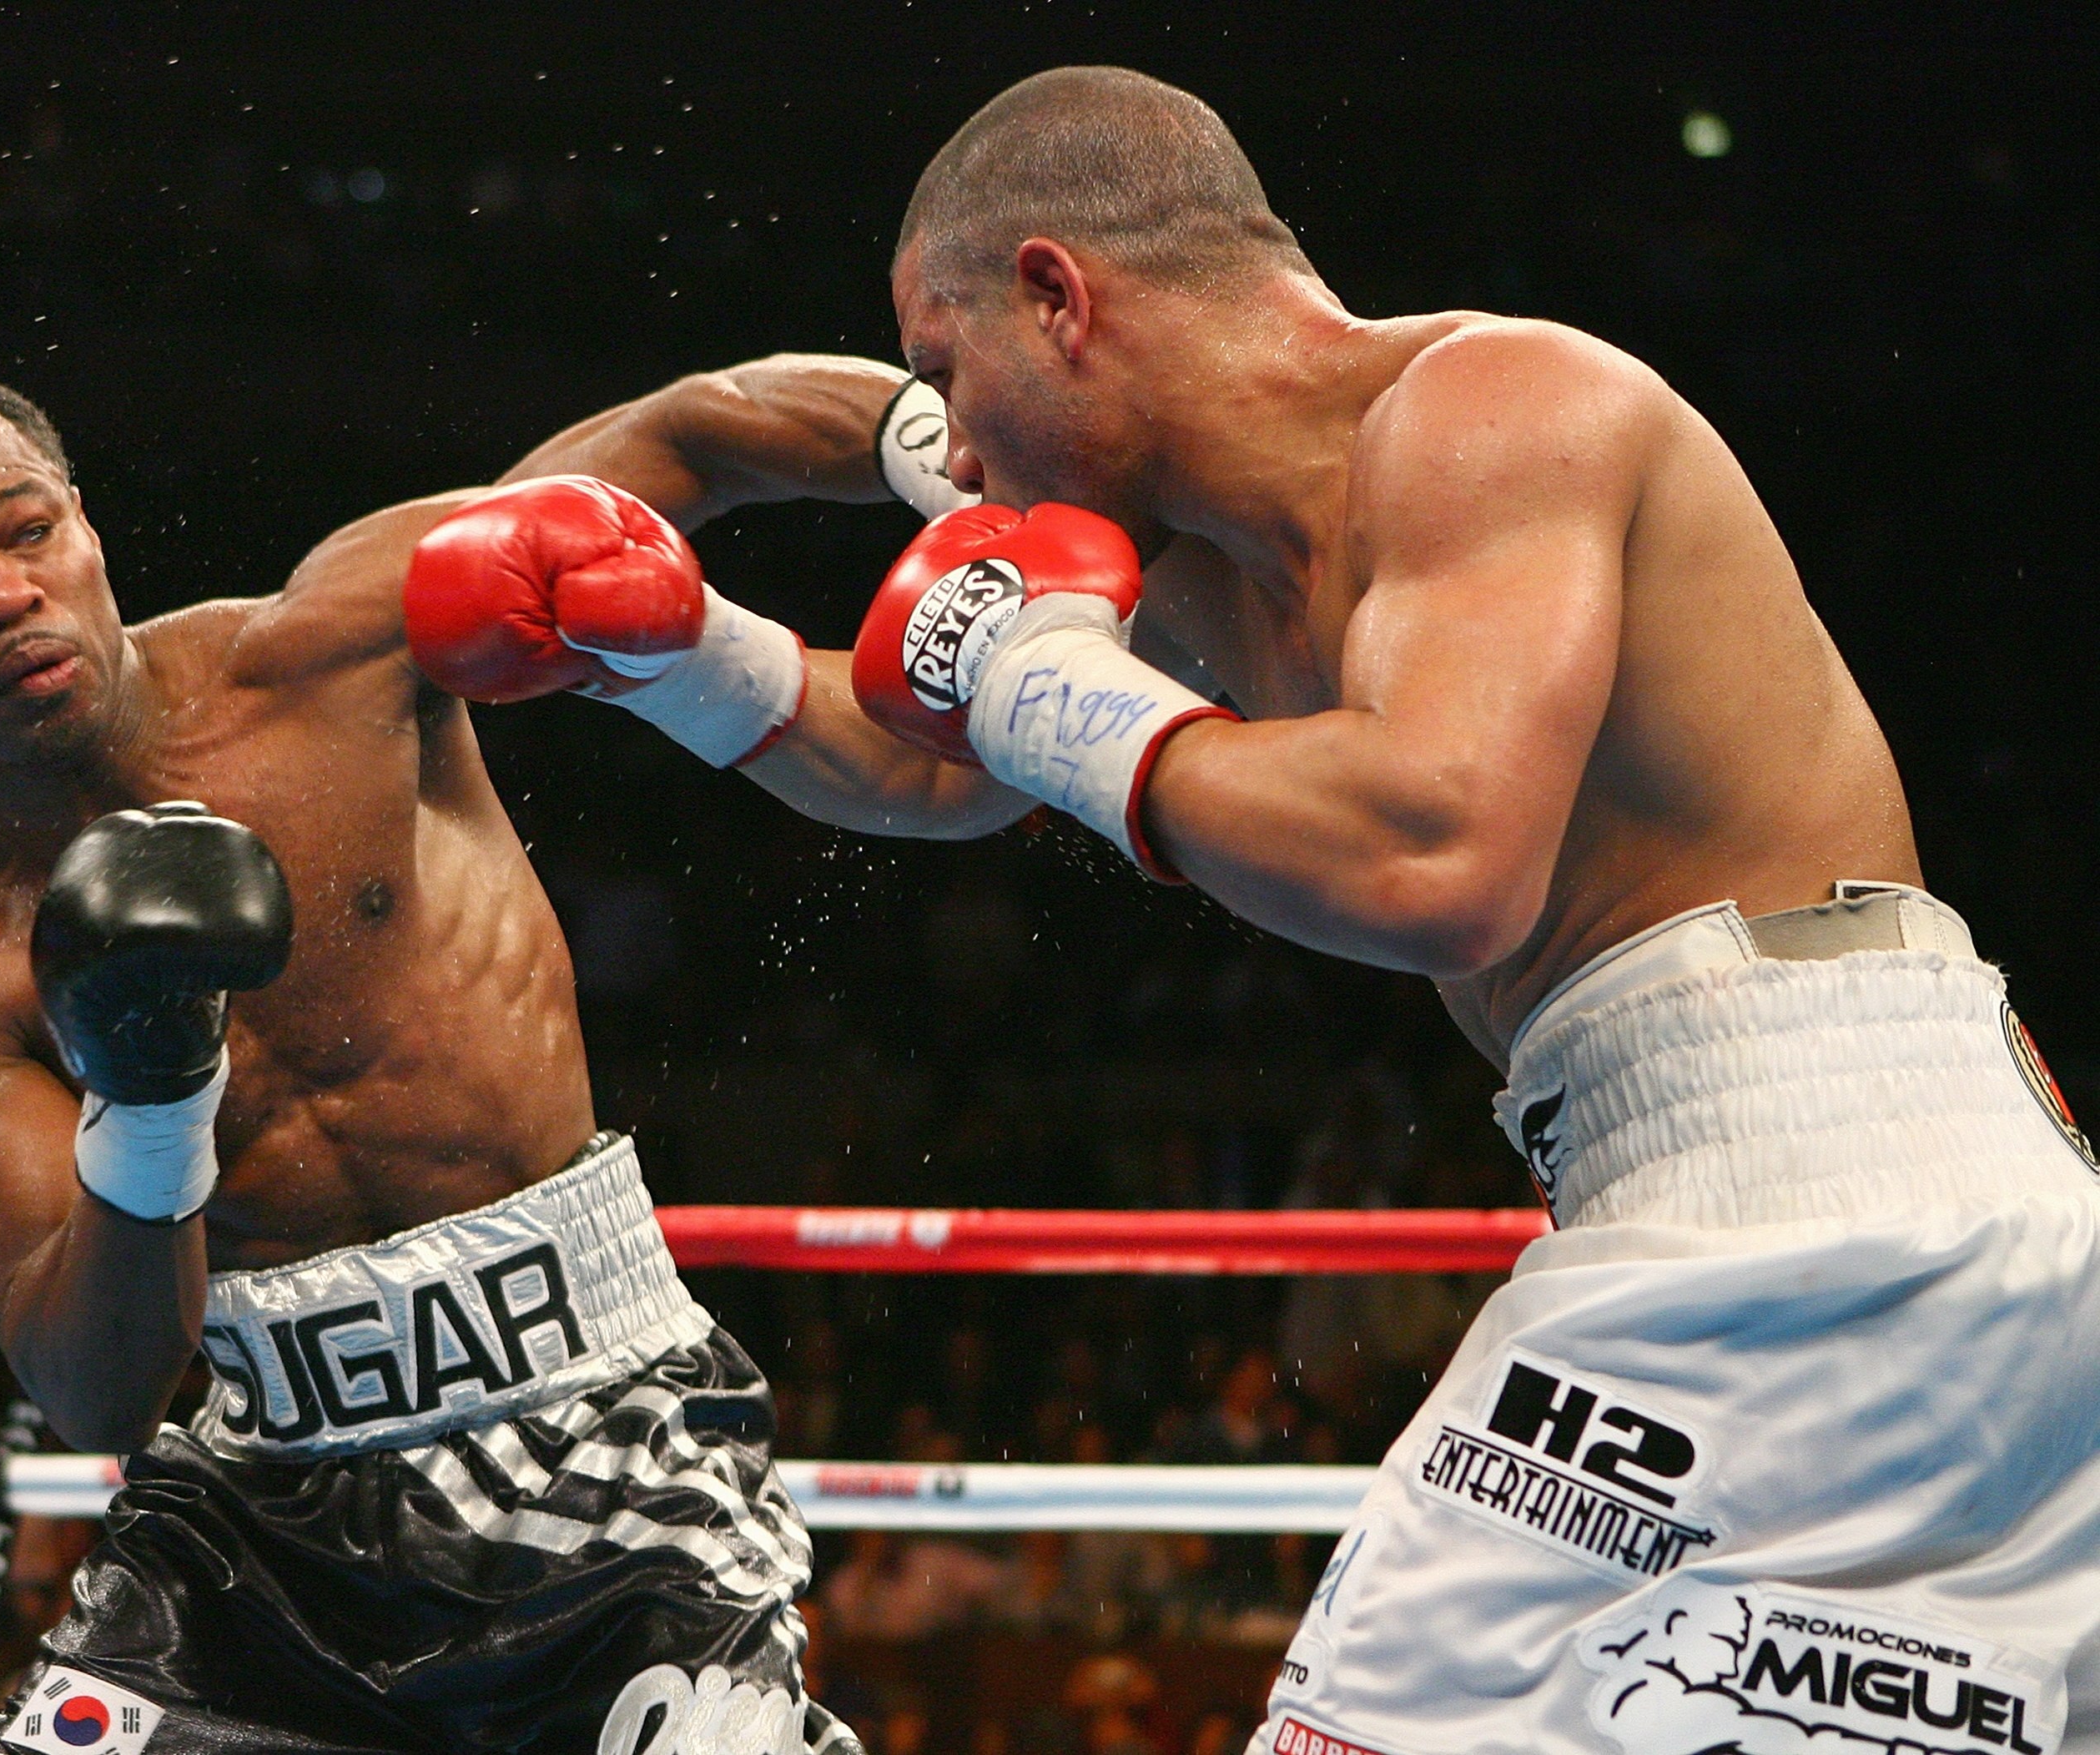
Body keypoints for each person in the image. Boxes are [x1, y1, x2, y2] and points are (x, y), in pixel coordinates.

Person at [424, 66, 2100, 1753]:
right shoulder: (1205, 585)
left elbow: (1435, 861)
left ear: (1054, 295)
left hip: (1810, 1167)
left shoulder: (1493, 409)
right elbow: (942, 759)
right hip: (1819, 1190)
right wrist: (678, 655)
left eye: (949, 370)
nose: (962, 447)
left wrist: (1040, 684)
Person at [0, 364, 914, 1755]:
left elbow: (694, 434)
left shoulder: (334, 647)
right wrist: (148, 1097)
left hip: (606, 1430)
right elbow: (100, 1390)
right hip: (266, 1525)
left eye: (27, 533)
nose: (3, 594)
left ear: (86, 527)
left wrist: (963, 443)